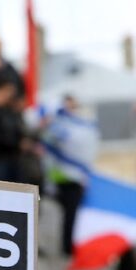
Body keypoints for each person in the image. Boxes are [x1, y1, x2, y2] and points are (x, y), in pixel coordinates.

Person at [42, 95, 99, 256]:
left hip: (75, 178)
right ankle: (67, 247)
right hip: (62, 179)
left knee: (72, 215)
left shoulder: (79, 127)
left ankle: (69, 246)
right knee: (67, 215)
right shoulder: (58, 125)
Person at [0, 81, 27, 182]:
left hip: (14, 158)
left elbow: (19, 131)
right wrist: (16, 143)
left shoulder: (11, 113)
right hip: (0, 159)